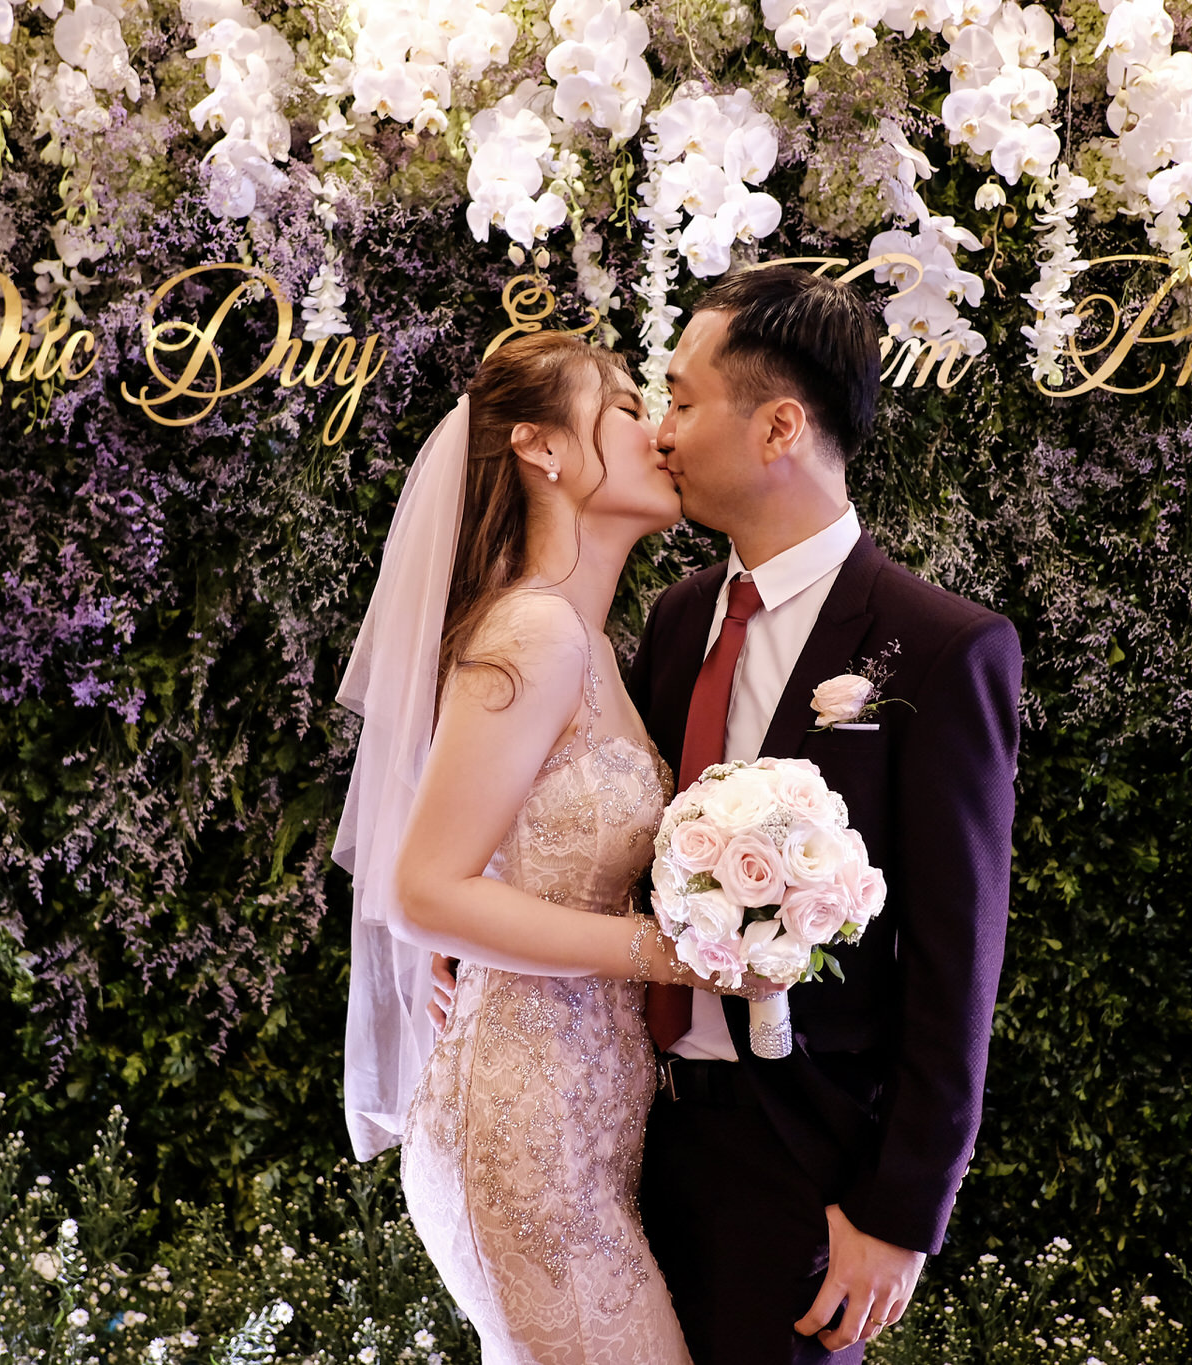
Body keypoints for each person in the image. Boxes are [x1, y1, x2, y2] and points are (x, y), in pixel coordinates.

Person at [331, 330, 773, 1365]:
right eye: (623, 407)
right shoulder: (536, 634)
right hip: (520, 1145)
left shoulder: (591, 644)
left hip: (577, 1138)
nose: (655, 432)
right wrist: (669, 953)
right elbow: (424, 891)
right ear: (542, 448)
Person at [629, 266, 1022, 1364]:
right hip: (631, 1133)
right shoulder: (675, 620)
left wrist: (900, 1211)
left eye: (682, 399)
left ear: (779, 427)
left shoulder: (938, 647)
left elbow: (957, 954)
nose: (661, 431)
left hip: (801, 1159)